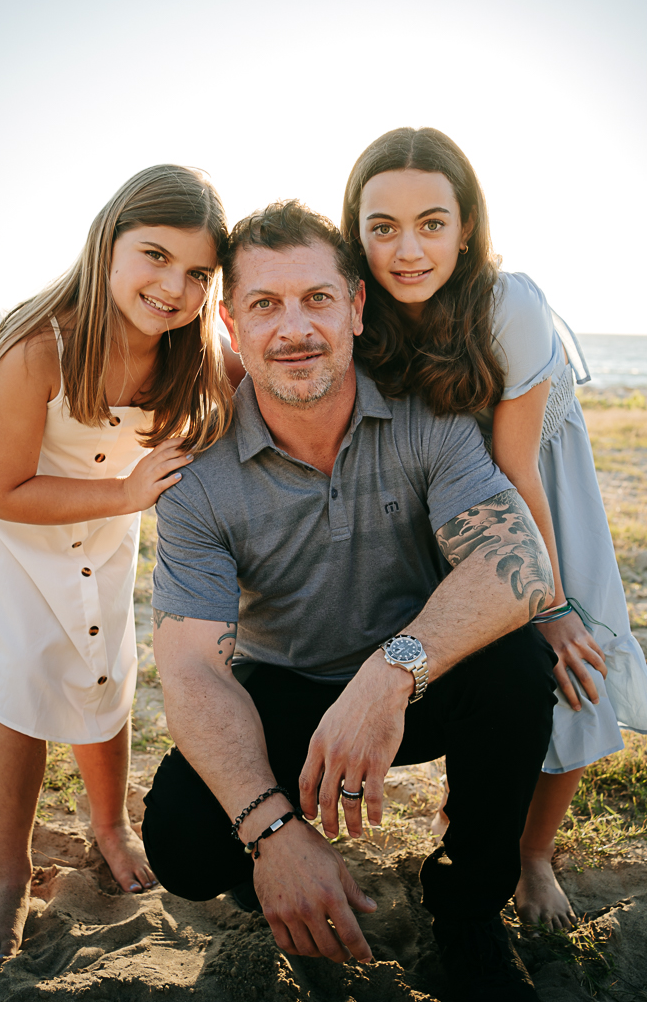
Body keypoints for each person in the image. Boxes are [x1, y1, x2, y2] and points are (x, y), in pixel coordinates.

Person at [142, 200, 559, 1001]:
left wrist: (393, 670)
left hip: (418, 681)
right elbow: (190, 667)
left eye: (317, 299)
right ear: (230, 323)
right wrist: (273, 831)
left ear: (358, 308)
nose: (294, 327)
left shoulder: (429, 416)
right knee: (185, 846)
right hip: (287, 695)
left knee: (517, 669)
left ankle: (468, 909)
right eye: (265, 304)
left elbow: (519, 563)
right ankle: (275, 864)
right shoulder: (198, 473)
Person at [341, 126, 647, 932]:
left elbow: (516, 467)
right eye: (384, 227)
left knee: (570, 656)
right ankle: (472, 808)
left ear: (467, 225)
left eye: (432, 223)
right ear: (356, 229)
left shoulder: (509, 301)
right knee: (476, 663)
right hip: (442, 494)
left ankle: (535, 852)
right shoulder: (359, 305)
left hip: (538, 481)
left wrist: (547, 602)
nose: (409, 249)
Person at [0, 164, 240, 965]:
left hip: (109, 513)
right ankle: (11, 873)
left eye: (197, 274)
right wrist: (121, 491)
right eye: (154, 255)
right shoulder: (37, 345)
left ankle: (110, 825)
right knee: (21, 681)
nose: (172, 286)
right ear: (108, 242)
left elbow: (252, 382)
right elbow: (6, 489)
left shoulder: (190, 350)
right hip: (22, 519)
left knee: (102, 669)